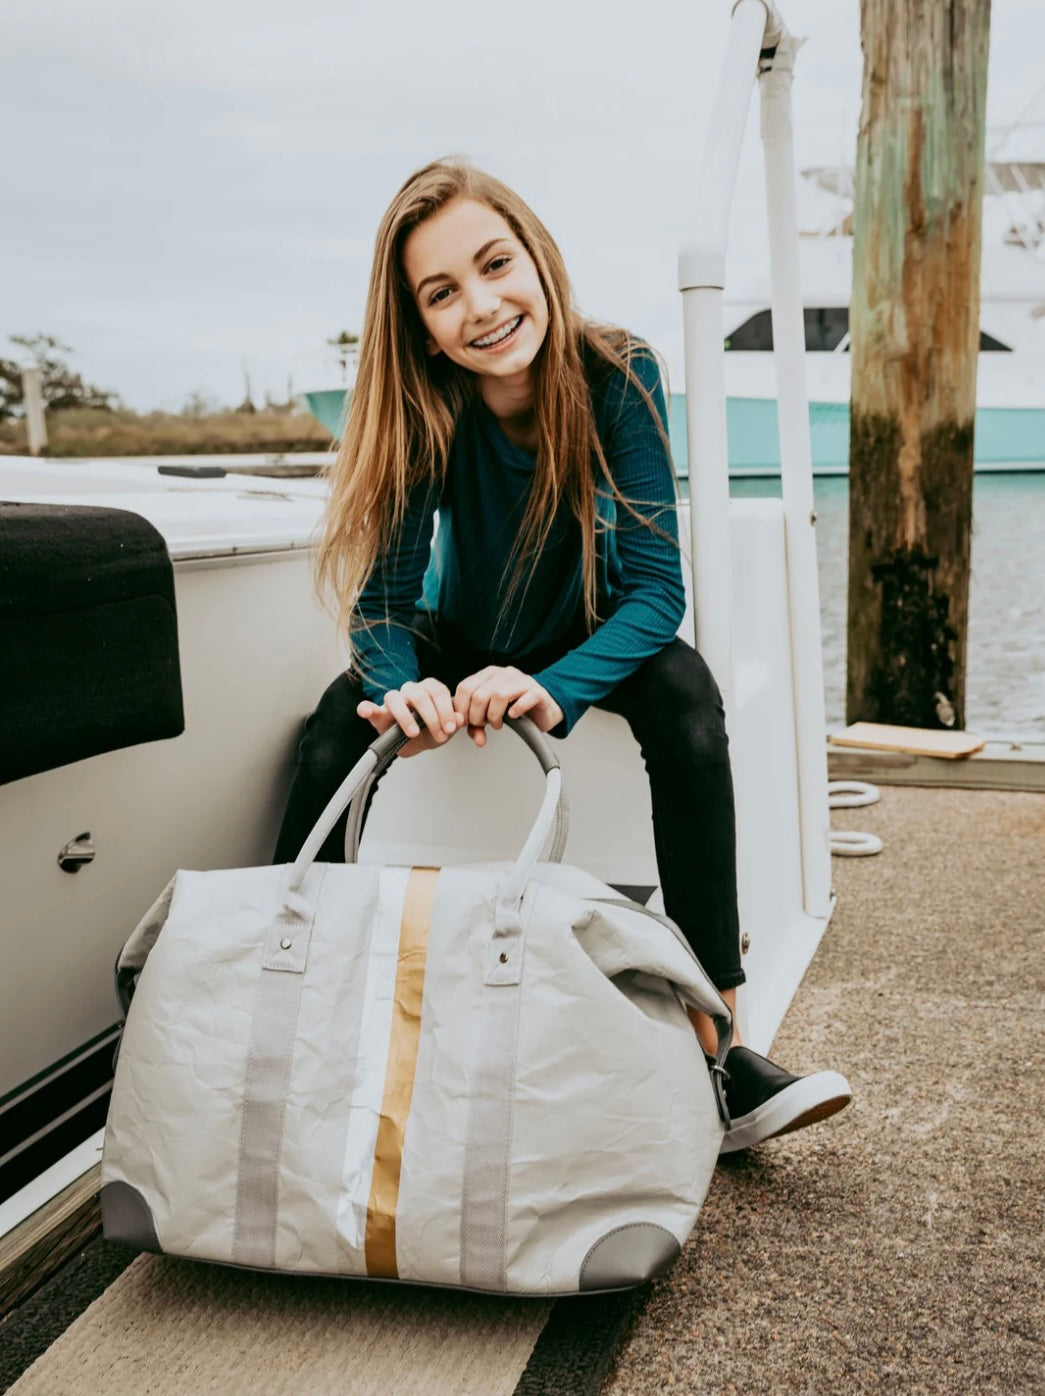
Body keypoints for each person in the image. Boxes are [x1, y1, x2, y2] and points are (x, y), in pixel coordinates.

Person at [273, 157, 852, 1152]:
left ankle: (723, 1048)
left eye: (495, 264)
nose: (483, 305)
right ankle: (276, 1004)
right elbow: (381, 606)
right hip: (457, 642)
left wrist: (544, 688)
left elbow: (655, 594)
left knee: (684, 695)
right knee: (335, 722)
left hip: (579, 633)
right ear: (418, 323)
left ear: (536, 256)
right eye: (442, 293)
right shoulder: (429, 406)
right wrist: (402, 688)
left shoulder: (616, 371)